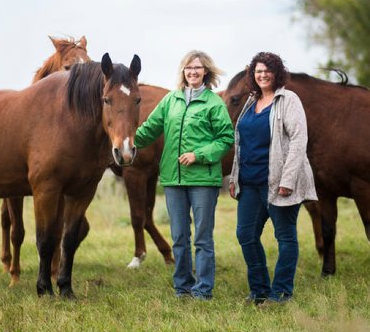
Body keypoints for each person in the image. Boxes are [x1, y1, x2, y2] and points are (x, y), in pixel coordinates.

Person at [134, 50, 234, 300]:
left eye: (198, 68)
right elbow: (149, 129)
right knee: (179, 237)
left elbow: (226, 139)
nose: (193, 72)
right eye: (189, 68)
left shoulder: (214, 103)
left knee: (202, 238)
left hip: (203, 180)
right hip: (173, 179)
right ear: (183, 72)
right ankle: (183, 287)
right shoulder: (171, 101)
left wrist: (198, 155)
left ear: (206, 72)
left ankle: (203, 290)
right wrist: (126, 140)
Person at [229, 52, 317, 306]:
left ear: (277, 73)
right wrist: (235, 176)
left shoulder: (288, 99)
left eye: (267, 70)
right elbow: (241, 142)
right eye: (258, 71)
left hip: (279, 183)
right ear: (252, 75)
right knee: (245, 235)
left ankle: (281, 294)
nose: (263, 75)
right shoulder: (250, 102)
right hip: (250, 183)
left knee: (285, 237)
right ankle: (259, 291)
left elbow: (300, 140)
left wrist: (288, 180)